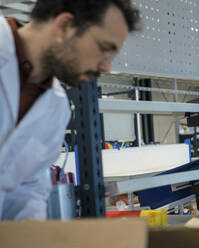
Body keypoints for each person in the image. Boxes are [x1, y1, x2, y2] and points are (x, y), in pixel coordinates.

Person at [0, 0, 140, 220]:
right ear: (64, 25)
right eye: (104, 49)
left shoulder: (56, 108)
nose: (106, 67)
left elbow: (28, 192)